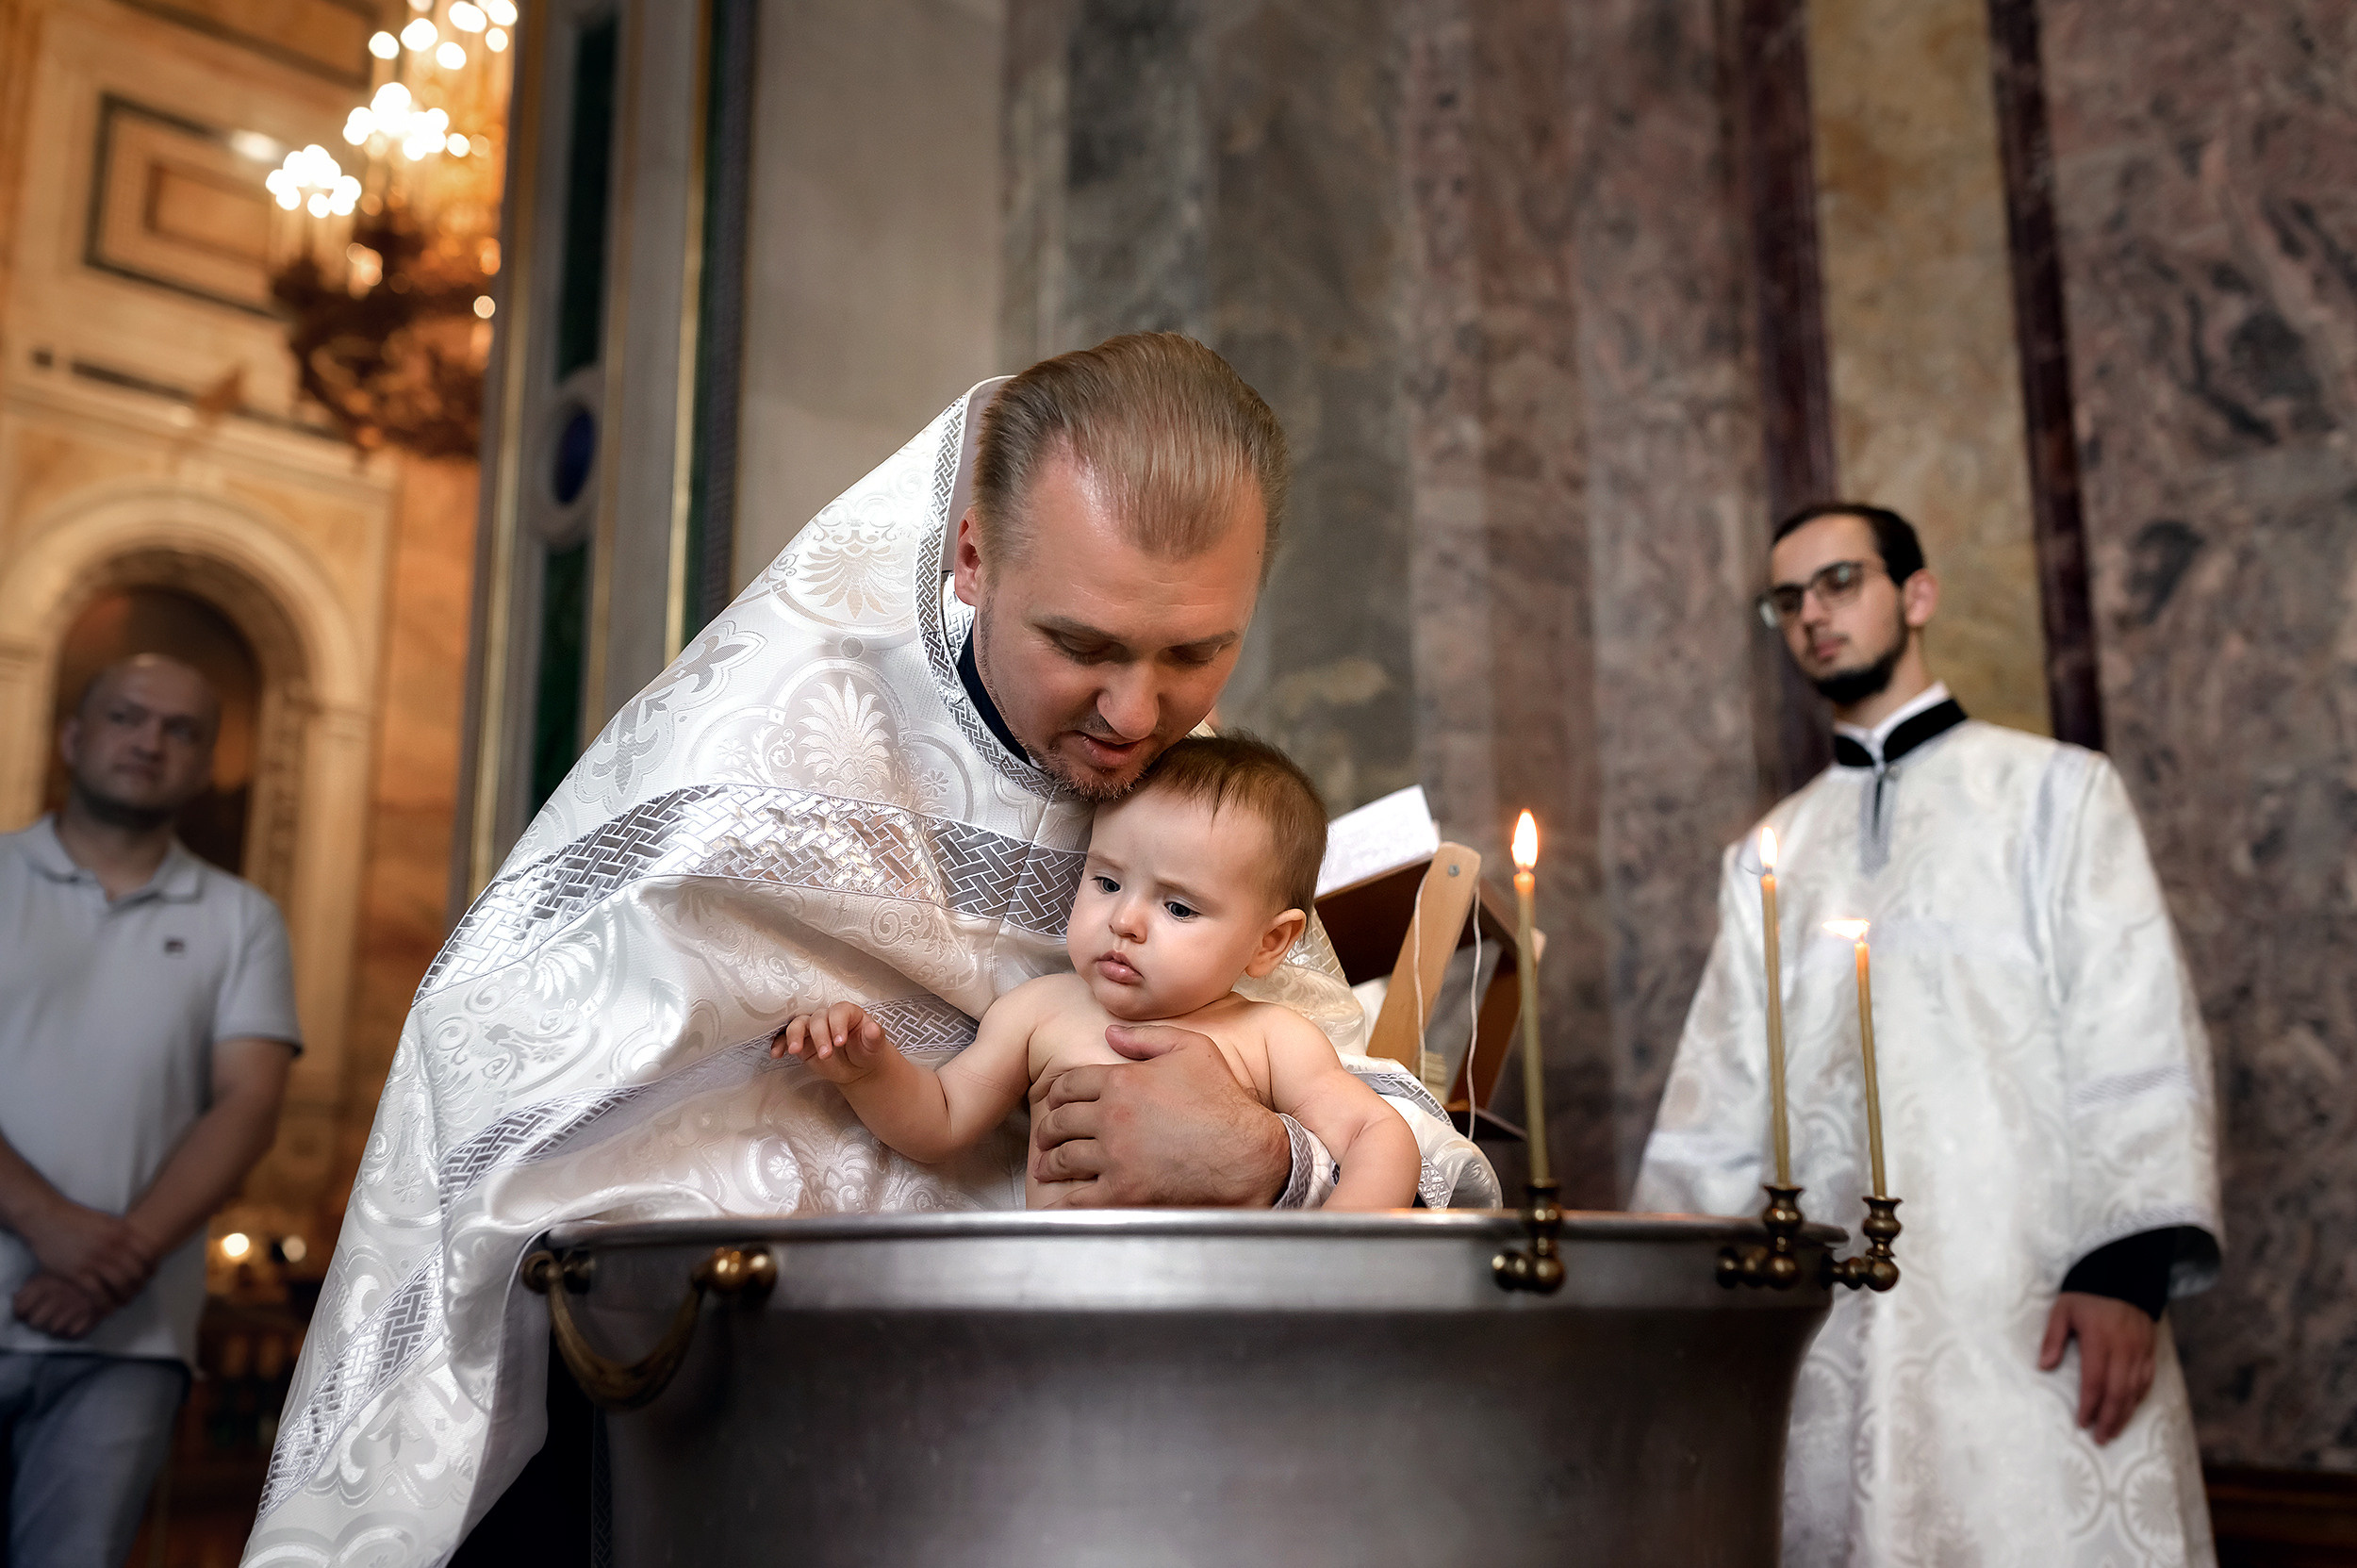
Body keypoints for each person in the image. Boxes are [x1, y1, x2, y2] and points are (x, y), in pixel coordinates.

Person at [247, 333, 1495, 1567]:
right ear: (971, 555)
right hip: (726, 1414)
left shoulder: (1190, 806)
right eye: (1084, 646)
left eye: (1195, 652)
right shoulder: (756, 766)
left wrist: (1265, 1156)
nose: (1136, 715)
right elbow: (529, 1126)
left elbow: (1374, 1106)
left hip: (1099, 1424)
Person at [1634, 503, 2223, 1567]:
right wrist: (1677, 1297)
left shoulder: (2055, 793)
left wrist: (2127, 1266)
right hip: (1832, 1325)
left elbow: (2130, 1022)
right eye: (1788, 600)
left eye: (1839, 582)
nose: (1813, 615)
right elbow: (1722, 1086)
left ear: (1916, 595)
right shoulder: (1768, 851)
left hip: (2035, 1295)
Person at [779, 734, 1421, 1211]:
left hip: (1224, 1296)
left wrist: (1326, 1253)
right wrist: (870, 1071)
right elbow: (941, 1120)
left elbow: (1377, 1133)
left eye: (1177, 906)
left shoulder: (1270, 1036)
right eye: (1107, 881)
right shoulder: (1044, 1010)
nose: (1127, 921)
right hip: (1063, 1290)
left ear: (1268, 942)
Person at [1, 654, 300, 1568]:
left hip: (130, 1336)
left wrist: (111, 1258)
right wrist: (51, 1224)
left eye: (181, 730)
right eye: (128, 717)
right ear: (73, 737)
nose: (150, 742)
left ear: (206, 761)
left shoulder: (242, 916)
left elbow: (247, 1102)